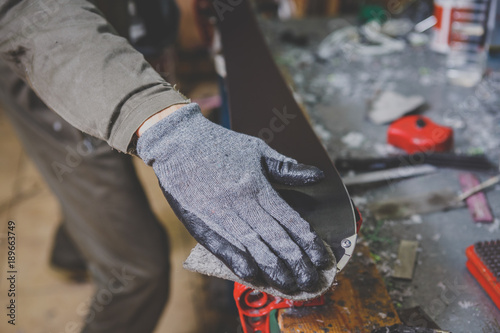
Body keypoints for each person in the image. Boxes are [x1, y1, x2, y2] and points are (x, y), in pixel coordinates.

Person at [0, 0, 331, 332]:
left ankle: (72, 250)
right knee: (136, 272)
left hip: (111, 35)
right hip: (50, 61)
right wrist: (165, 129)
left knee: (100, 176)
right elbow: (25, 9)